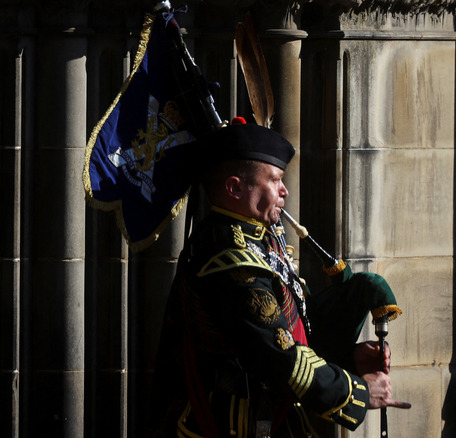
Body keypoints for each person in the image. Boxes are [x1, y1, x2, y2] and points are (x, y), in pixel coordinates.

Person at [152, 121, 410, 437]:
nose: (284, 190)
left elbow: (293, 329)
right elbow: (276, 355)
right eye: (274, 179)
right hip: (231, 422)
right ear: (234, 188)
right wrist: (355, 392)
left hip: (273, 411)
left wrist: (349, 358)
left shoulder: (261, 240)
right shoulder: (232, 260)